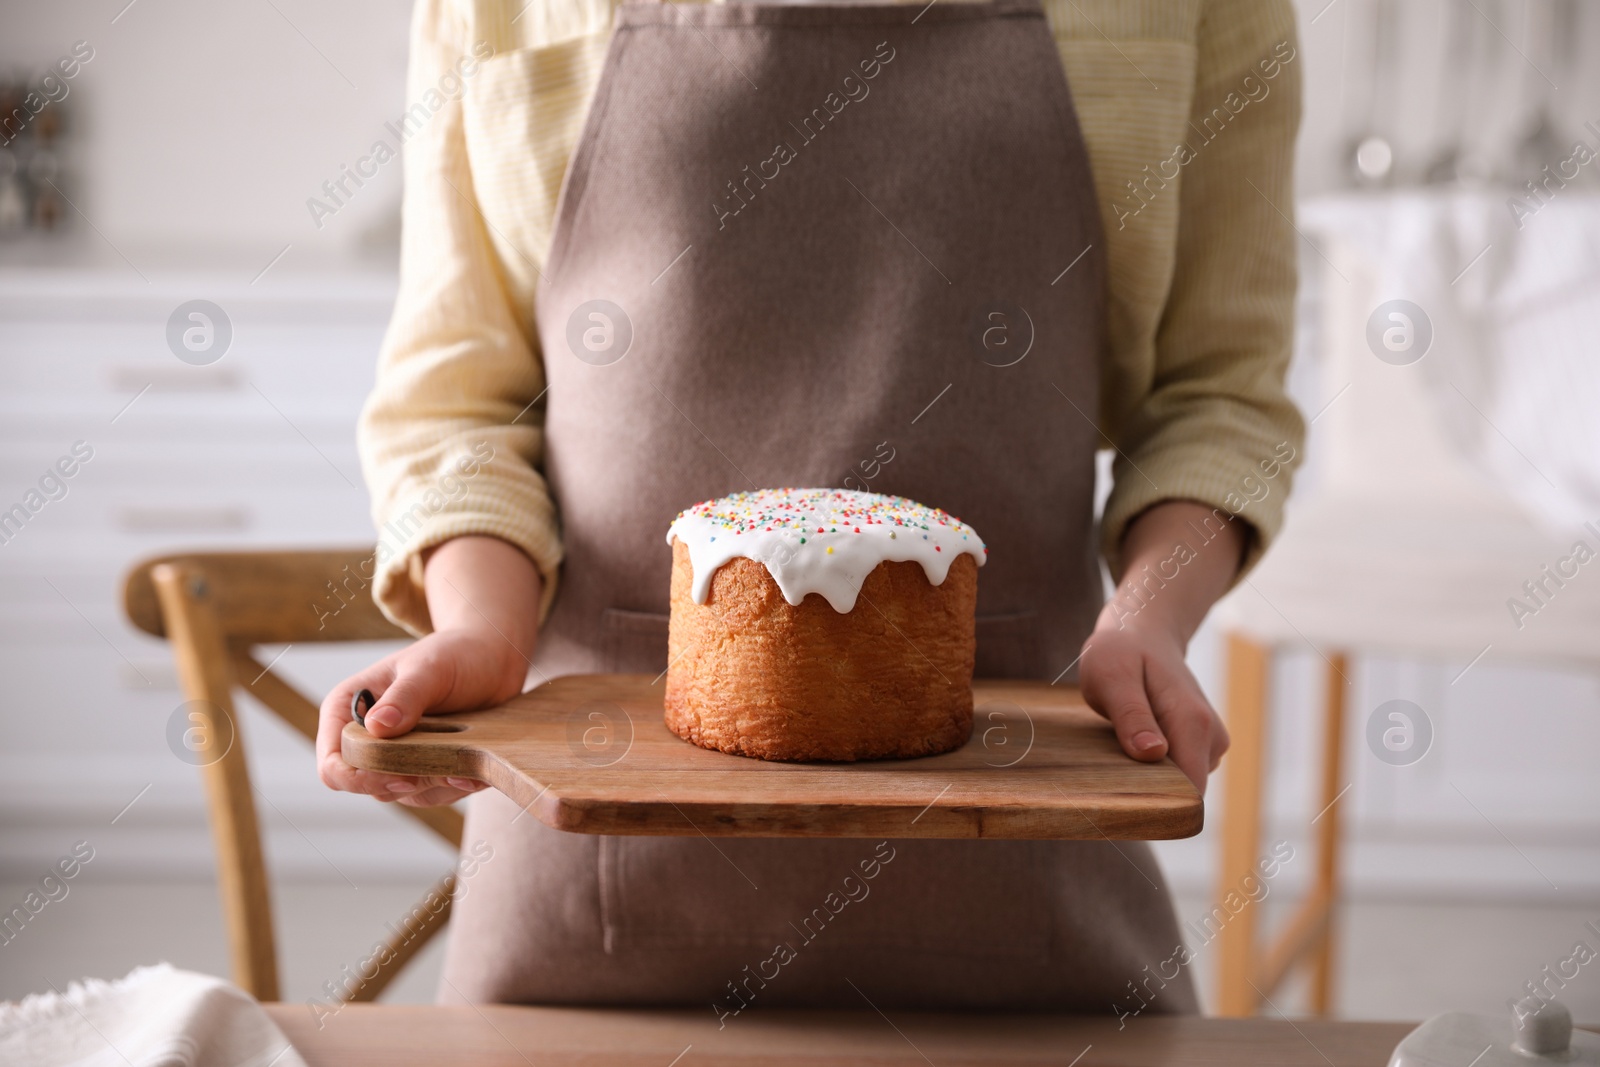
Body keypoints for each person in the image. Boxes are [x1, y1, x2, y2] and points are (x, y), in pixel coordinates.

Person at [318, 0, 1304, 1012]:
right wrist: (482, 620)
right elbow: (458, 399)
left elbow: (1219, 396)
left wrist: (1149, 613)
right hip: (584, 895)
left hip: (1031, 851)